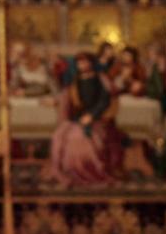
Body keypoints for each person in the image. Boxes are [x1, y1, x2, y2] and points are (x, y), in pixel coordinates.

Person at [46, 52, 124, 186]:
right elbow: (68, 99)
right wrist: (57, 101)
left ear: (91, 63)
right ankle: (66, 175)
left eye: (85, 62)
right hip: (76, 120)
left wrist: (92, 116)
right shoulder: (75, 81)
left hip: (96, 120)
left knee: (78, 140)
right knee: (60, 136)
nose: (82, 65)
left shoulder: (100, 79)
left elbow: (104, 101)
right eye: (79, 63)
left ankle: (85, 174)